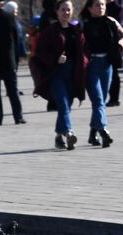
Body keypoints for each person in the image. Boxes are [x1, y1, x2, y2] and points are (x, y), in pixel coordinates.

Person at [32, 0, 86, 149]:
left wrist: (85, 65)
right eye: (63, 10)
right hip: (56, 74)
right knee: (62, 104)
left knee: (66, 107)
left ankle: (58, 136)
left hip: (72, 74)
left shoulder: (76, 31)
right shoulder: (50, 31)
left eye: (68, 10)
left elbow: (82, 52)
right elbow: (39, 52)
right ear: (57, 12)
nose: (66, 13)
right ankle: (69, 133)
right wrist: (55, 59)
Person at [80, 0, 123, 146]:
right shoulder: (83, 25)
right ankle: (103, 130)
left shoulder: (111, 22)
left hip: (107, 65)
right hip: (91, 65)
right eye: (97, 5)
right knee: (98, 101)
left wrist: (121, 45)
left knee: (101, 101)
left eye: (103, 5)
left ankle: (93, 134)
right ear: (89, 8)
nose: (101, 8)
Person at [104, 0, 123, 105]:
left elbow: (118, 29)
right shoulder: (97, 5)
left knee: (114, 73)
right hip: (101, 46)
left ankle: (114, 98)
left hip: (112, 46)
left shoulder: (116, 8)